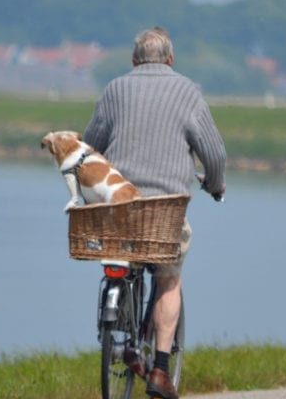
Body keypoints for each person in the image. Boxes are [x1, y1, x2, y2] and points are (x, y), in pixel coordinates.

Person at [84, 26, 227, 399]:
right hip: (166, 212)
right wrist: (214, 184)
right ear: (170, 59)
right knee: (168, 280)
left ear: (133, 61)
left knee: (123, 257)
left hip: (118, 209)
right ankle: (161, 371)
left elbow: (89, 149)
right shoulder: (188, 92)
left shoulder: (115, 89)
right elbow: (214, 154)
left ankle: (122, 325)